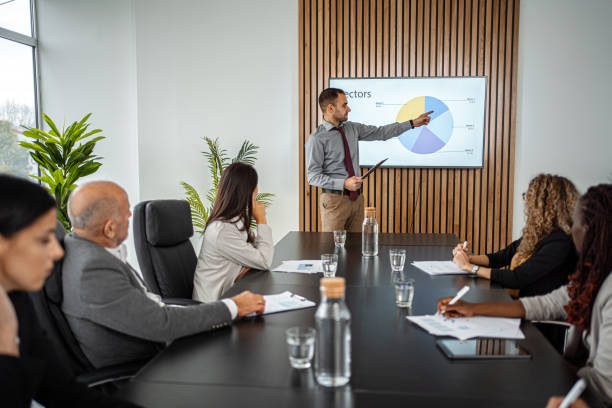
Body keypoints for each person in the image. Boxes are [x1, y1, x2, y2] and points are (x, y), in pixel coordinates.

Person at [61, 180, 266, 368]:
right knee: (246, 358)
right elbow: (161, 324)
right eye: (126, 211)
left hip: (158, 331)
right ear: (109, 228)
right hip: (146, 367)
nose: (130, 216)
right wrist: (234, 306)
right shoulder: (93, 270)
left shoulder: (89, 249)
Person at [438, 184, 612, 405]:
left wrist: (470, 268)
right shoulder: (593, 275)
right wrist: (472, 308)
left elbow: (605, 387)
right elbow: (546, 303)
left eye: (576, 223)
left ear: (589, 231)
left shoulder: (565, 247)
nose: (572, 228)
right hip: (576, 382)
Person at [0, 174, 140, 407]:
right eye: (44, 240)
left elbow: (66, 394)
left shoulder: (17, 300)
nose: (58, 252)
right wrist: (6, 343)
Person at [305, 87, 433, 232]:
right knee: (333, 249)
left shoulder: (352, 128)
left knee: (357, 249)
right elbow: (312, 177)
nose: (349, 109)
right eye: (344, 105)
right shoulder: (316, 138)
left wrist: (412, 123)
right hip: (334, 201)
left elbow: (381, 132)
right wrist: (344, 183)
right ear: (330, 108)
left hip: (357, 200)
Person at [452, 174, 579, 297]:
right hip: (518, 302)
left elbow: (517, 278)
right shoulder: (540, 233)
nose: (525, 203)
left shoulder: (561, 242)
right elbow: (500, 257)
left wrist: (469, 267)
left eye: (528, 197)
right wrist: (467, 257)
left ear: (543, 205)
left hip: (532, 311)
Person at [193, 163, 273, 302]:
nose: (257, 190)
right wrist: (261, 219)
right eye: (254, 187)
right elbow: (264, 260)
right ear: (246, 191)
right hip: (213, 306)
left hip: (230, 295)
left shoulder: (235, 221)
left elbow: (257, 253)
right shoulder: (222, 230)